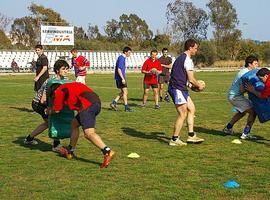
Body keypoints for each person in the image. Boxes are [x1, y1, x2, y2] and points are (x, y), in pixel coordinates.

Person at [47, 82, 114, 168]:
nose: (55, 98)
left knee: (88, 133)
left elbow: (57, 110)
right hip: (96, 102)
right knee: (74, 124)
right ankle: (71, 150)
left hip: (87, 106)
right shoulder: (70, 85)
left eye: (53, 97)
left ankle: (107, 151)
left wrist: (48, 111)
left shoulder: (59, 90)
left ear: (54, 91)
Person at [24, 60, 69, 151]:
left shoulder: (64, 81)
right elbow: (43, 100)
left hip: (46, 104)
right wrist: (52, 108)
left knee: (47, 123)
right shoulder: (50, 82)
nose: (66, 71)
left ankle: (29, 139)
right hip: (38, 104)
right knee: (52, 123)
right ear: (57, 70)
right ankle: (56, 145)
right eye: (63, 69)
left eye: (67, 69)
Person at [168, 39, 205, 146]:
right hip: (177, 89)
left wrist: (189, 85)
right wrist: (199, 85)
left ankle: (191, 135)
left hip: (181, 88)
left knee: (192, 108)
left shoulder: (181, 58)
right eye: (195, 48)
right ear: (190, 48)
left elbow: (180, 76)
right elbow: (192, 79)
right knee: (183, 113)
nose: (196, 50)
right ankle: (174, 139)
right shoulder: (187, 60)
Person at [223, 55, 258, 140]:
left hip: (234, 95)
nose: (257, 66)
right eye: (255, 64)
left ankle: (228, 128)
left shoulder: (246, 72)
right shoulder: (245, 74)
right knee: (253, 112)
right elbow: (242, 90)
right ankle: (246, 133)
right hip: (235, 97)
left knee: (242, 112)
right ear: (250, 64)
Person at [110, 46, 132, 112]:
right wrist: (122, 78)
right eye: (129, 52)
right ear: (125, 52)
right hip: (120, 78)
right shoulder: (122, 58)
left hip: (119, 77)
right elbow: (119, 69)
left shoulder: (122, 58)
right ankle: (126, 107)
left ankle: (114, 103)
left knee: (123, 92)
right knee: (125, 92)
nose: (129, 54)